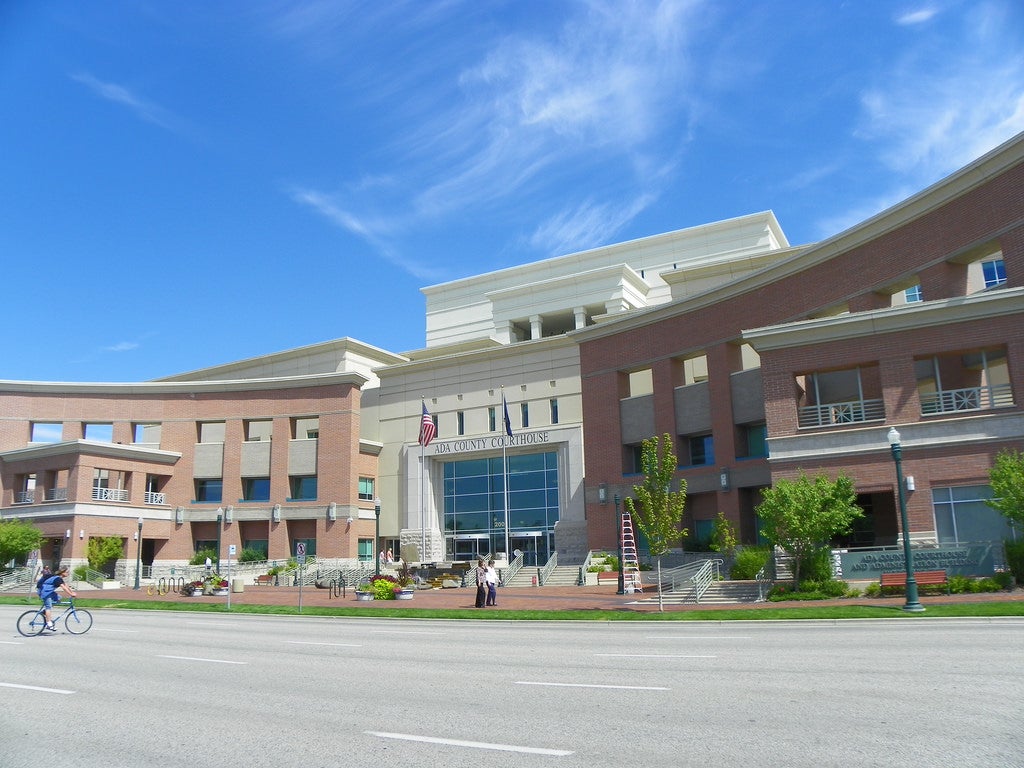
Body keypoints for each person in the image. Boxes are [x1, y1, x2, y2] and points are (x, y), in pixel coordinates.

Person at [38, 565, 76, 631]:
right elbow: (63, 588)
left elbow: (66, 586)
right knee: (48, 607)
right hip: (44, 592)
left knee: (59, 598)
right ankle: (49, 624)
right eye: (67, 572)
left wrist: (72, 592)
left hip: (49, 592)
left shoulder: (59, 578)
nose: (68, 573)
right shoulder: (57, 578)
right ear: (62, 572)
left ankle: (44, 612)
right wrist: (71, 594)